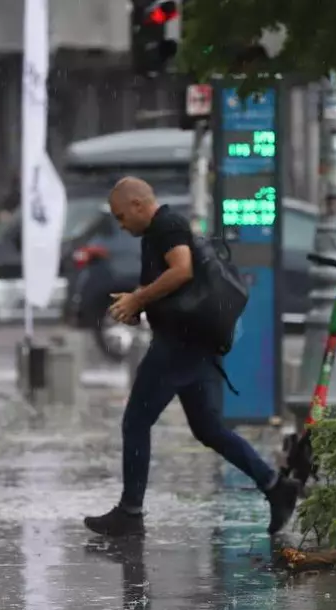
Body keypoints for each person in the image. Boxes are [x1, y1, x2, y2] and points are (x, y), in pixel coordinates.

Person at [83, 177, 299, 538]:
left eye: (122, 217)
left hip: (178, 346)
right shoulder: (158, 232)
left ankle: (130, 513)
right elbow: (174, 285)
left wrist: (139, 299)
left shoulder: (167, 225)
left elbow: (181, 270)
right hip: (195, 344)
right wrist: (139, 304)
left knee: (136, 422)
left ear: (138, 205)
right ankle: (276, 486)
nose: (121, 225)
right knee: (209, 429)